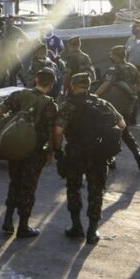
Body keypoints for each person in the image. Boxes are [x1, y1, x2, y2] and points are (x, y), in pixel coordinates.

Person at [0, 68, 59, 238]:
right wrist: (51, 153)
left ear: (36, 80)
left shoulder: (19, 95)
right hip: (35, 153)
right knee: (28, 187)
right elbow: (52, 133)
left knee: (14, 182)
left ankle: (8, 221)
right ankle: (23, 226)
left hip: (15, 147)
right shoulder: (50, 105)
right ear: (52, 85)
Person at [53, 73, 128, 245]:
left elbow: (58, 131)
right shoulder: (102, 103)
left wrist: (57, 151)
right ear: (88, 86)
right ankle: (92, 232)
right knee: (96, 192)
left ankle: (76, 227)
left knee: (73, 189)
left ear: (73, 86)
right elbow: (122, 124)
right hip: (99, 155)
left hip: (76, 154)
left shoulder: (68, 106)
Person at [95, 45, 140, 170]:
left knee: (108, 131)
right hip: (128, 105)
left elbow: (107, 83)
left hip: (114, 105)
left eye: (111, 54)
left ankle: (110, 158)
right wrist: (133, 91)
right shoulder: (132, 67)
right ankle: (137, 153)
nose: (110, 56)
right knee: (124, 130)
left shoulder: (114, 68)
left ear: (115, 55)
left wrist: (95, 95)